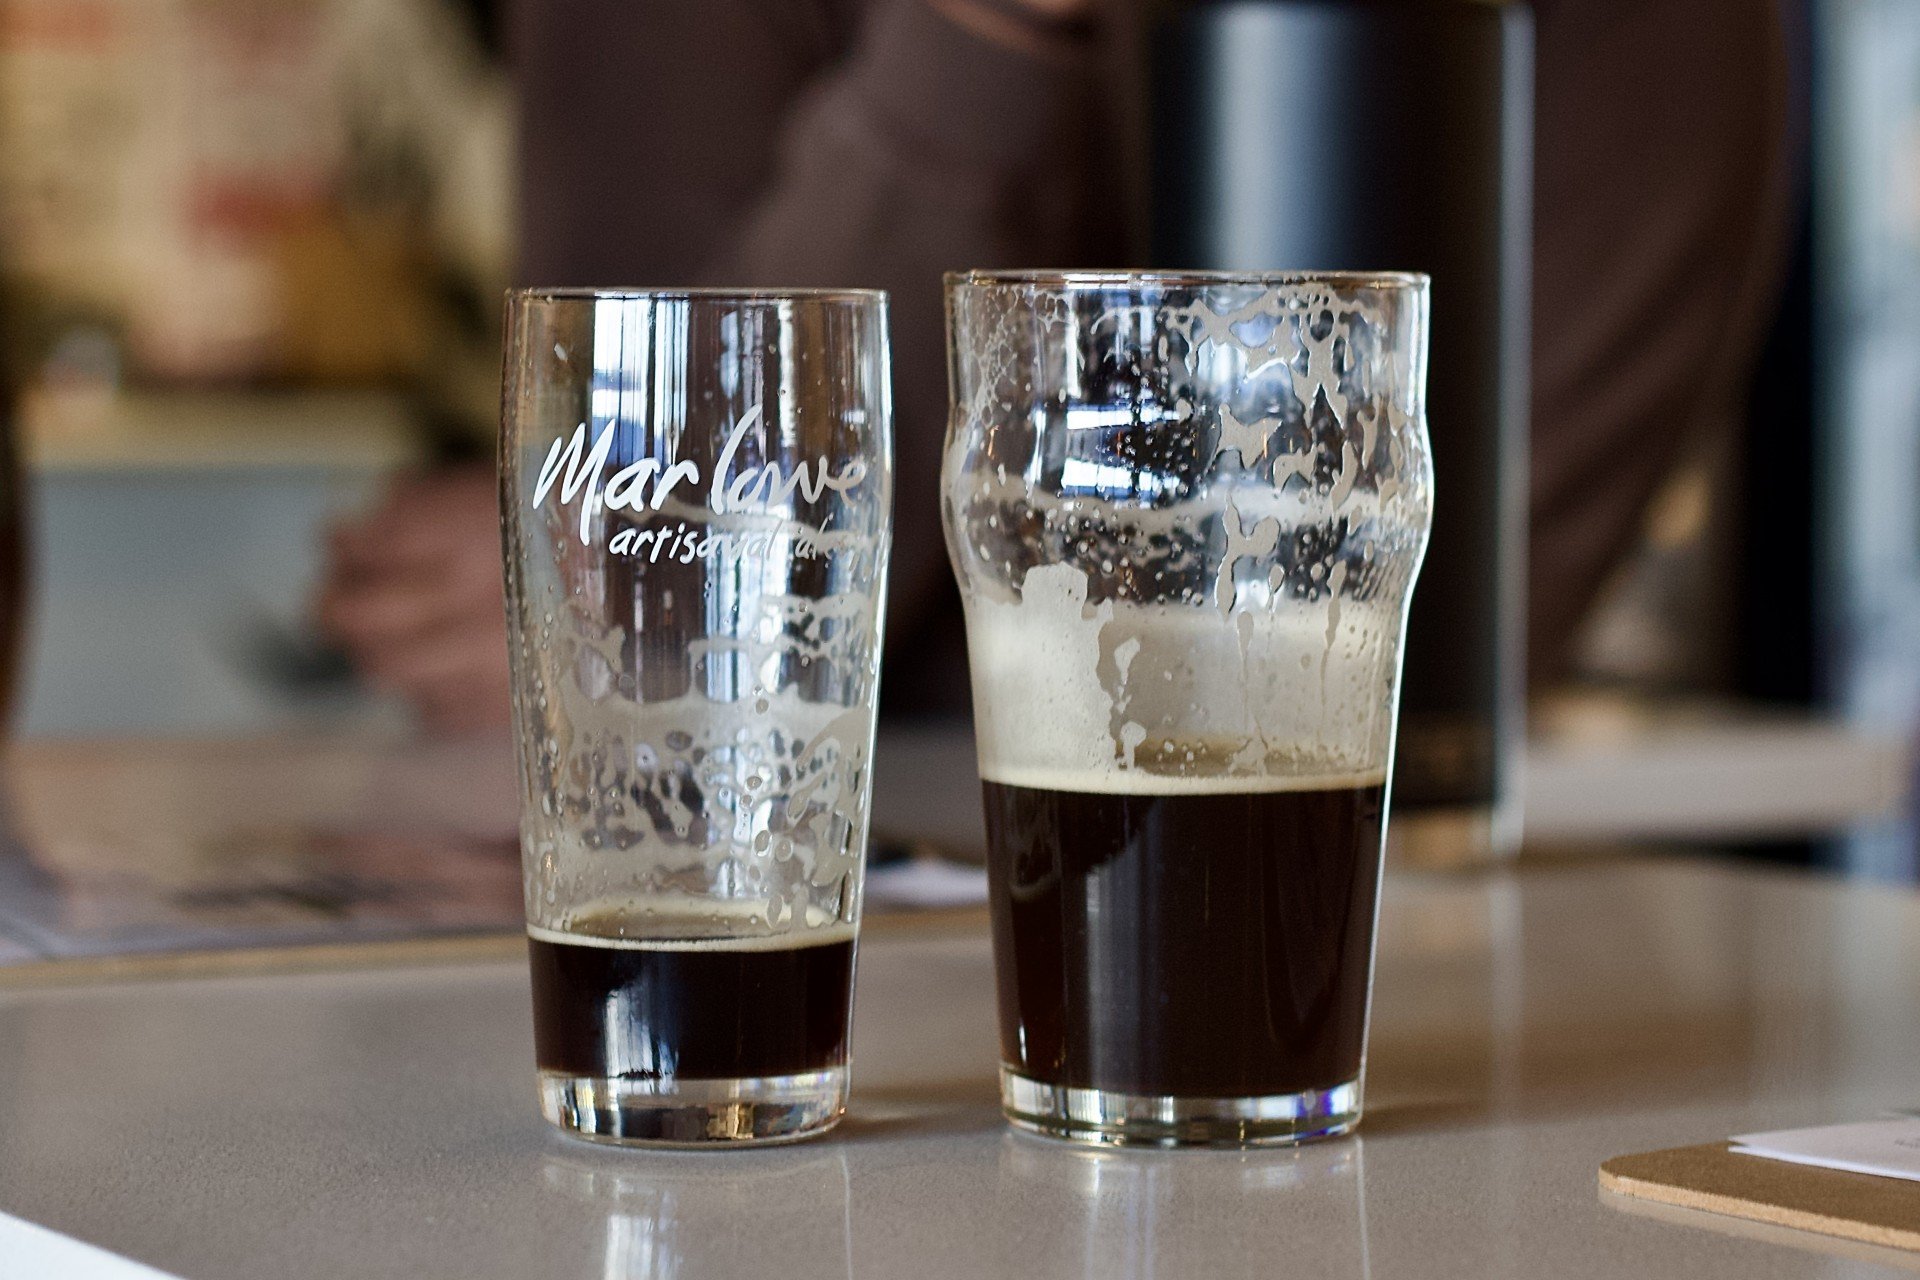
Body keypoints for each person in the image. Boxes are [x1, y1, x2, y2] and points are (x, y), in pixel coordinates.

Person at [318, 0, 1797, 732]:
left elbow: (1384, 673)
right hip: (745, 904)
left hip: (1335, 959)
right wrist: (986, 37)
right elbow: (665, 587)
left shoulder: (1651, 43)